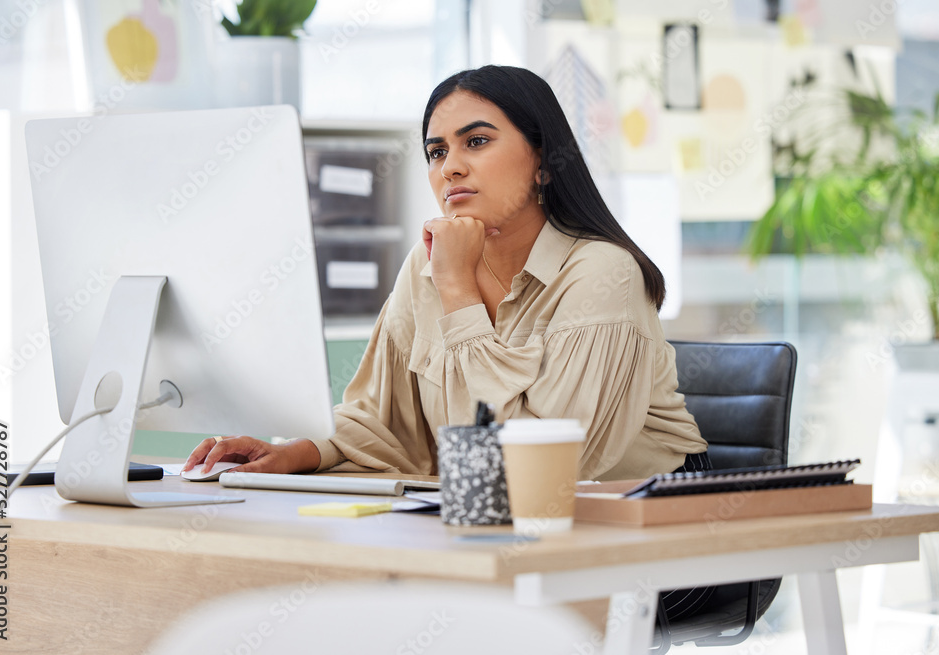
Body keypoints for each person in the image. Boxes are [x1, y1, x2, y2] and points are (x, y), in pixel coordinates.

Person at [184, 64, 708, 484]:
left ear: (544, 162)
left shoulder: (602, 273)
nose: (450, 167)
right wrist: (294, 451)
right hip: (502, 524)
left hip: (653, 529)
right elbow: (387, 422)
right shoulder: (427, 263)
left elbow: (535, 466)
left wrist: (457, 291)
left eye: (476, 142)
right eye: (437, 152)